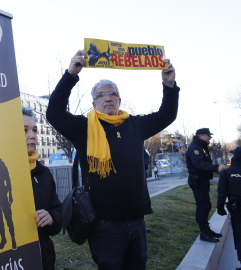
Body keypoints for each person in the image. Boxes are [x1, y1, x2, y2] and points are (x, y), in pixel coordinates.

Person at [46, 50, 178, 270]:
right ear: (94, 102)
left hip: (137, 221)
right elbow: (54, 113)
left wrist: (169, 85)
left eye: (112, 94)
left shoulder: (135, 124)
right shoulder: (83, 128)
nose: (107, 98)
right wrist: (70, 75)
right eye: (101, 95)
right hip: (103, 226)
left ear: (119, 99)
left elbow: (167, 115)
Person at [23, 106, 62, 270]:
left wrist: (51, 217)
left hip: (43, 259)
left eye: (34, 130)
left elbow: (58, 211)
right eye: (24, 130)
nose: (32, 135)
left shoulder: (44, 173)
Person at [185, 128, 226, 243]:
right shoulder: (195, 148)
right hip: (197, 181)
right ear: (201, 136)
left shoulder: (201, 146)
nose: (210, 138)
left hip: (202, 180)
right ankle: (204, 232)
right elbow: (198, 164)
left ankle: (207, 229)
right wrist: (216, 168)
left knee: (206, 205)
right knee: (203, 206)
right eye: (208, 136)